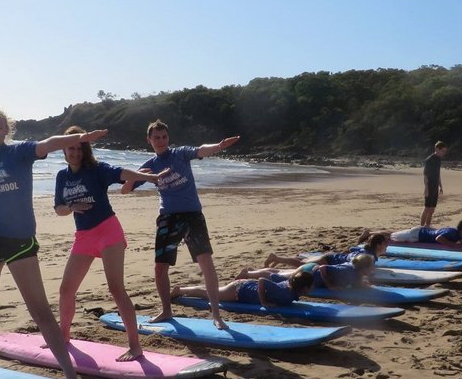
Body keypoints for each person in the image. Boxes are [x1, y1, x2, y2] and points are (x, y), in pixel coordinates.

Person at [0, 108, 103, 379]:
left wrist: (80, 137)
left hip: (20, 243)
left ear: (6, 130)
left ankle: (71, 376)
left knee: (40, 311)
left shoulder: (19, 153)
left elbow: (49, 143)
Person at [53, 126, 169, 362]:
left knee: (116, 289)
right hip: (84, 236)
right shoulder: (62, 176)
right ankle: (63, 337)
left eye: (79, 148)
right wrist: (72, 207)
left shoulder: (96, 170)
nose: (74, 152)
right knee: (66, 289)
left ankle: (135, 347)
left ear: (85, 150)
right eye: (70, 148)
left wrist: (150, 178)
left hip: (108, 231)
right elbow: (59, 209)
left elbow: (122, 173)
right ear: (64, 150)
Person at [121, 119, 240, 330]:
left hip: (193, 215)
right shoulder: (149, 165)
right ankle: (166, 310)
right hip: (168, 218)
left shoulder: (180, 154)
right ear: (149, 140)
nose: (161, 141)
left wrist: (219, 146)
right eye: (156, 137)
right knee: (160, 268)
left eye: (164, 137)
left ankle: (216, 314)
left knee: (206, 262)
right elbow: (125, 190)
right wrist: (133, 178)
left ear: (168, 137)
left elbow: (201, 150)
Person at [170, 270, 314, 309]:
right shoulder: (283, 292)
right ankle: (180, 291)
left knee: (212, 291)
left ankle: (181, 290)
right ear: (305, 287)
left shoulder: (291, 290)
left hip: (244, 286)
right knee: (209, 294)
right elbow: (262, 280)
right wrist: (263, 302)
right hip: (240, 291)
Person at [263, 230, 390, 269]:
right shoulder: (369, 256)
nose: (387, 246)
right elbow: (355, 263)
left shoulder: (368, 253)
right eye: (385, 243)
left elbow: (350, 249)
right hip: (328, 260)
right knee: (301, 265)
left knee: (305, 260)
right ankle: (276, 258)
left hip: (332, 256)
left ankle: (279, 259)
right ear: (378, 245)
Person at [420, 141, 448, 227]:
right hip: (429, 186)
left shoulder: (439, 159)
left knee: (432, 209)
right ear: (436, 149)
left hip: (435, 186)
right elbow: (425, 175)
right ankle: (421, 227)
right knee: (427, 208)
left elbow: (438, 173)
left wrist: (440, 186)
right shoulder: (429, 159)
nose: (444, 153)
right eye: (442, 151)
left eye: (445, 151)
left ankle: (427, 226)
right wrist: (426, 188)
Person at [391, 221, 462, 245]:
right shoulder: (453, 233)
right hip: (417, 235)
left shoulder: (457, 233)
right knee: (392, 236)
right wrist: (452, 244)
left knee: (393, 234)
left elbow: (456, 239)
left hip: (421, 232)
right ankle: (380, 234)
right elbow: (438, 238)